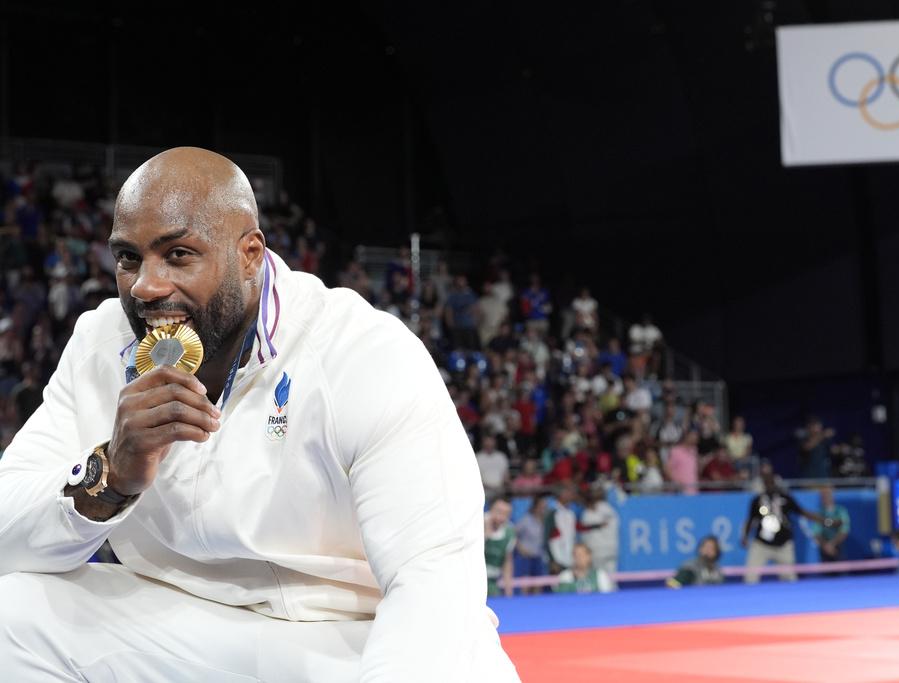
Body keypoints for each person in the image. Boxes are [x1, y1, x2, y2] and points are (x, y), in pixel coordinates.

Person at [0, 148, 518, 681]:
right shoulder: (99, 343)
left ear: (249, 254)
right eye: (128, 258)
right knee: (12, 616)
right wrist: (110, 475)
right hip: (185, 631)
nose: (146, 286)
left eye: (178, 254)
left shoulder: (362, 353)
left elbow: (432, 584)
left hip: (350, 641)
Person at [741, 460, 831, 584]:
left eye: (771, 480)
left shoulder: (786, 498)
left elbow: (802, 512)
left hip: (783, 544)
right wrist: (745, 536)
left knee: (790, 580)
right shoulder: (757, 500)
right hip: (761, 544)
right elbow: (751, 520)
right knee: (750, 578)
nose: (769, 483)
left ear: (776, 481)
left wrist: (825, 521)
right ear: (763, 483)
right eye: (766, 481)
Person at [578, 487, 620, 584]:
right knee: (610, 579)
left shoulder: (588, 514)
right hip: (609, 550)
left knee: (601, 580)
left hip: (599, 551)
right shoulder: (611, 510)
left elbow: (585, 534)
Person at [514, 496, 548, 595]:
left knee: (539, 583)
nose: (543, 509)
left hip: (538, 556)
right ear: (535, 507)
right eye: (541, 507)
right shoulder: (526, 520)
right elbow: (513, 534)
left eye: (545, 507)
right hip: (526, 557)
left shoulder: (544, 521)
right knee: (526, 584)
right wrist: (520, 548)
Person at [484, 499, 516, 598]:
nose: (501, 516)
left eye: (506, 514)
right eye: (499, 512)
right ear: (491, 510)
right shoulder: (476, 524)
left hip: (492, 581)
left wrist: (508, 590)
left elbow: (507, 561)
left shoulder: (509, 532)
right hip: (472, 581)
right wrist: (486, 534)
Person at [814, 486, 850, 562]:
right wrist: (826, 546)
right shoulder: (819, 513)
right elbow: (816, 533)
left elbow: (844, 531)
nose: (825, 498)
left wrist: (832, 544)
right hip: (824, 549)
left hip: (839, 548)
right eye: (823, 496)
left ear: (832, 497)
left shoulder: (841, 511)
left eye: (827, 495)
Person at [546, 484, 577, 573]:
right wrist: (552, 560)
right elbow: (546, 536)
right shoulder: (552, 512)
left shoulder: (571, 513)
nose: (571, 495)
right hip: (557, 557)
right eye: (568, 493)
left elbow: (572, 536)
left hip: (570, 556)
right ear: (561, 494)